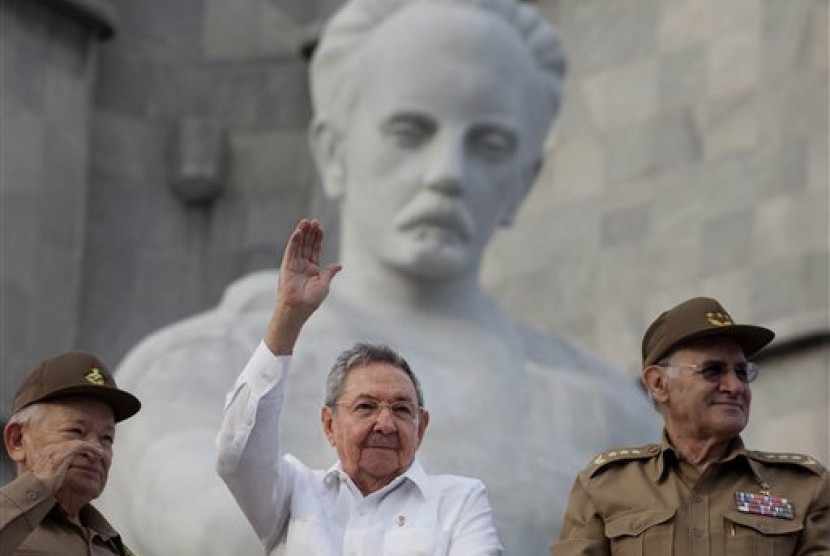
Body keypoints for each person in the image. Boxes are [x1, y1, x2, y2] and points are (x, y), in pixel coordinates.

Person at [101, 1, 659, 554]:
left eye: (490, 144)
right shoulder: (190, 370)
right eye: (410, 132)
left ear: (524, 178)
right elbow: (211, 534)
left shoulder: (609, 415)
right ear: (333, 150)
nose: (447, 174)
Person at [216, 217, 503, 554]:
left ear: (421, 427)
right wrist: (288, 316)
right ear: (329, 424)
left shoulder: (459, 501)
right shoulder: (296, 493)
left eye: (401, 409)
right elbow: (236, 455)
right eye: (366, 407)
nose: (385, 424)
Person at [551, 296, 830, 556]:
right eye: (713, 370)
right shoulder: (605, 486)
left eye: (742, 372)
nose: (734, 386)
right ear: (658, 384)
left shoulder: (804, 487)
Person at [1, 350, 141, 555]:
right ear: (18, 440)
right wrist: (37, 486)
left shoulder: (112, 546)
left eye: (106, 438)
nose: (96, 450)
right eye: (76, 431)